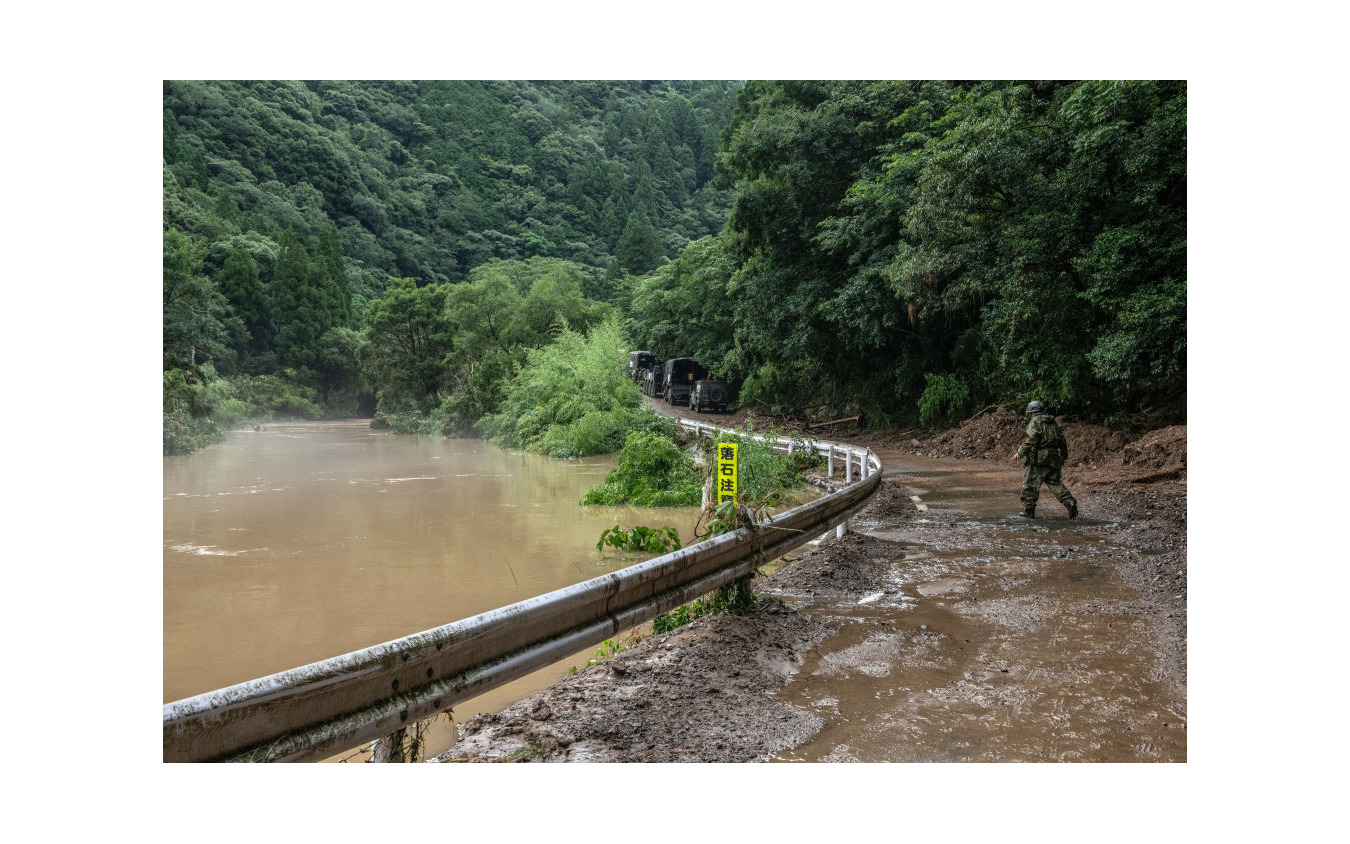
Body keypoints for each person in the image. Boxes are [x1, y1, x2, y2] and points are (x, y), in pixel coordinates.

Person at [1011, 401, 1078, 519]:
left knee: (1030, 484)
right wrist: (1063, 456)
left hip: (1038, 460)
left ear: (1032, 412)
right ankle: (1070, 502)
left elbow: (1031, 440)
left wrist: (1020, 452)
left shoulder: (1035, 422)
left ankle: (1029, 511)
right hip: (1054, 458)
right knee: (1055, 483)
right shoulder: (1054, 423)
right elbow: (1062, 441)